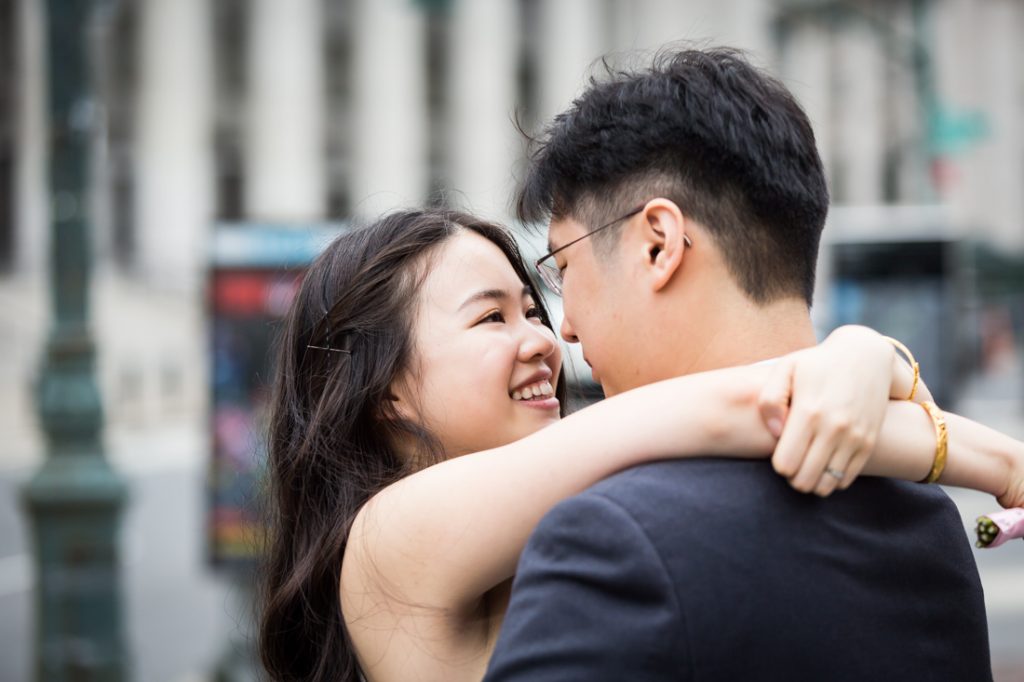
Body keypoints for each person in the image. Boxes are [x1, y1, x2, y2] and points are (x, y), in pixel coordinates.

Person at [257, 210, 1021, 682]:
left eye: (533, 308)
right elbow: (736, 411)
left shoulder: (559, 517)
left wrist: (864, 359)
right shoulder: (391, 536)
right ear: (386, 390)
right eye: (491, 319)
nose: (547, 342)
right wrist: (1001, 462)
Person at [482, 47, 1010, 682]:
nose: (564, 327)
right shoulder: (929, 522)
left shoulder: (613, 539)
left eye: (564, 267)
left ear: (659, 244)